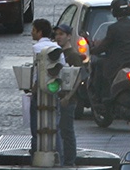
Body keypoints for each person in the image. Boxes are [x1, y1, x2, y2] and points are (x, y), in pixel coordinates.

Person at [90, 0, 130, 100]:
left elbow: (104, 46)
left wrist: (93, 50)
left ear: (114, 12)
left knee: (98, 64)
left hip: (117, 64)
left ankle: (101, 96)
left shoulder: (113, 28)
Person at [52, 24, 82, 166]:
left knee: (67, 131)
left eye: (61, 34)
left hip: (68, 100)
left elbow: (79, 77)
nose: (58, 37)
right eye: (57, 34)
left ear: (69, 36)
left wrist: (68, 97)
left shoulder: (73, 55)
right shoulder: (56, 54)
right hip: (57, 98)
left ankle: (70, 161)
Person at [29, 18, 60, 153]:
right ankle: (56, 150)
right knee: (54, 120)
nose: (31, 33)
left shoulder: (37, 48)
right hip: (54, 87)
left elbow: (37, 70)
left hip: (40, 89)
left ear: (40, 32)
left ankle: (37, 149)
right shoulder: (57, 48)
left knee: (36, 122)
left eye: (33, 30)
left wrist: (33, 87)